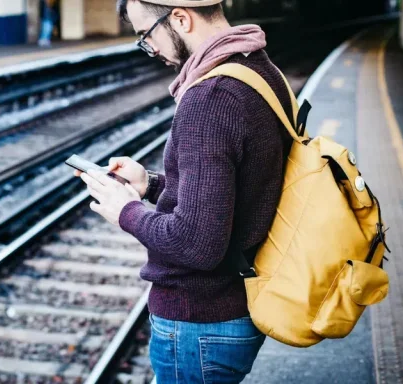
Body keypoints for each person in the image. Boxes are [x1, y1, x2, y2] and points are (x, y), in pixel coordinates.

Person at [74, 0, 294, 382]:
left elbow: (196, 244)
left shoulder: (209, 98)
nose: (151, 48)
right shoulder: (258, 68)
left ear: (180, 18)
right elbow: (236, 192)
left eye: (147, 34)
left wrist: (126, 210)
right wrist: (151, 184)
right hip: (234, 307)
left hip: (199, 321)